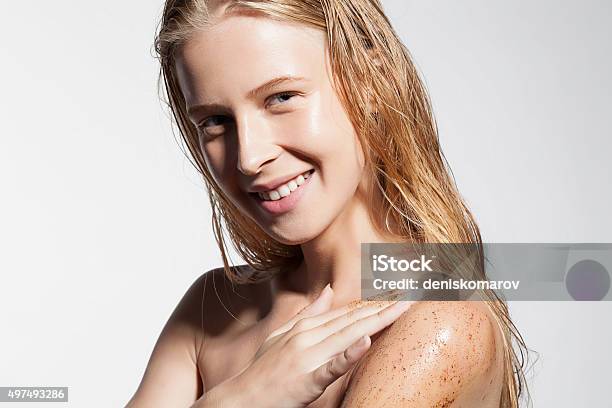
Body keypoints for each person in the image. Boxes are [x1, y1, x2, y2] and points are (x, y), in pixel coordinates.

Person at [127, 0, 529, 406]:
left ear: (372, 83)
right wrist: (249, 394)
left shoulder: (440, 319)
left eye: (281, 97)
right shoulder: (210, 308)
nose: (249, 156)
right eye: (215, 121)